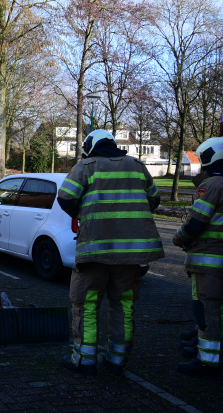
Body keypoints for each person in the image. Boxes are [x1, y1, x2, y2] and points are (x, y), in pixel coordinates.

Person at [57, 129, 164, 376]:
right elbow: (154, 199)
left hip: (95, 251)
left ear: (90, 146)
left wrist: (84, 215)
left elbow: (65, 198)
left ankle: (85, 360)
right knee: (124, 306)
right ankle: (117, 360)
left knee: (86, 305)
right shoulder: (137, 166)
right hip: (130, 255)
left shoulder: (86, 165)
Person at [173, 138, 223, 375]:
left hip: (208, 258)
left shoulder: (214, 185)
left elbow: (195, 223)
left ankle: (207, 362)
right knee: (212, 309)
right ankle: (205, 352)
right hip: (221, 258)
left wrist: (178, 238)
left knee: (207, 311)